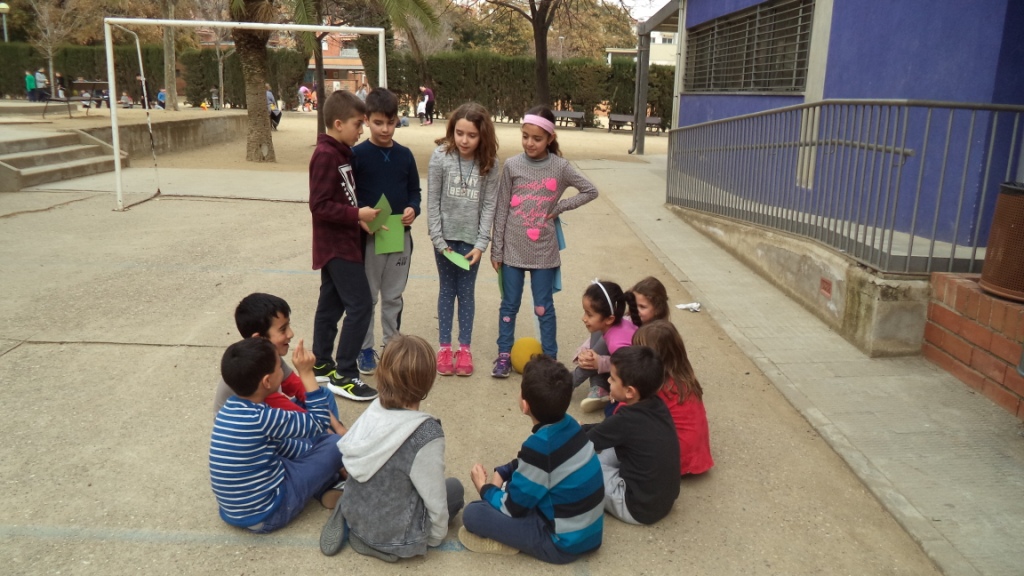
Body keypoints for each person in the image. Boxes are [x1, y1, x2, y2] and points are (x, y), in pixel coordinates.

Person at [320, 335, 464, 561]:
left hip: (358, 513)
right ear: (428, 380)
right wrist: (433, 537)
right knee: (454, 489)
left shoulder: (375, 408)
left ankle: (348, 510)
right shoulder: (426, 433)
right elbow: (434, 497)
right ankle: (383, 543)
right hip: (395, 535)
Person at [460, 355, 604, 563]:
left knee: (474, 514)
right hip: (590, 535)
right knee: (514, 484)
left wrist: (484, 488)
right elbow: (543, 465)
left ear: (525, 405)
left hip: (561, 545)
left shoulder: (540, 447)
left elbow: (513, 508)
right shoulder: (571, 425)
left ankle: (508, 541)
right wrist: (505, 471)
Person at [489, 106, 599, 376]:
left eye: (537, 138)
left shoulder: (560, 167)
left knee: (543, 307)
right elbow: (501, 209)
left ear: (550, 138)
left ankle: (550, 360)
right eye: (525, 136)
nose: (529, 143)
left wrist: (560, 207)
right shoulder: (512, 165)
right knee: (509, 304)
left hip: (543, 252)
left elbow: (590, 190)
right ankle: (503, 355)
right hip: (512, 251)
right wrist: (497, 249)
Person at [210, 337, 344, 533]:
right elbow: (320, 421)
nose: (283, 370)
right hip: (270, 513)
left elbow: (281, 445)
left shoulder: (230, 409)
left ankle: (326, 480)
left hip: (235, 512)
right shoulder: (262, 418)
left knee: (312, 446)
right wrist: (306, 373)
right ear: (267, 381)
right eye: (279, 367)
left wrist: (312, 452)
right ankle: (330, 482)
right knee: (336, 444)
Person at [309, 90, 379, 402]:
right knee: (360, 305)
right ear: (338, 124)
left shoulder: (341, 153)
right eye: (357, 124)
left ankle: (321, 363)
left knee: (331, 305)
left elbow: (342, 198)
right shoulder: (326, 155)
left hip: (345, 240)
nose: (361, 130)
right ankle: (345, 374)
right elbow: (319, 205)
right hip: (337, 247)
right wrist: (356, 214)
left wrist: (358, 220)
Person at [352, 88, 421, 376]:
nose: (385, 129)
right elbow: (350, 197)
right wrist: (360, 216)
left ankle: (391, 345)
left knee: (393, 295)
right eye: (378, 123)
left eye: (390, 123)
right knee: (368, 296)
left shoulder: (405, 155)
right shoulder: (356, 155)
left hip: (399, 236)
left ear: (397, 121)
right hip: (370, 238)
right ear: (367, 120)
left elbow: (414, 191)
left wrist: (413, 209)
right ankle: (365, 348)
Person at [427, 102, 500, 377]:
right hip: (444, 241)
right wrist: (438, 240)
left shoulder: (489, 163)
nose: (464, 140)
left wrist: (481, 244)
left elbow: (489, 205)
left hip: (471, 243)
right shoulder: (440, 157)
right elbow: (433, 201)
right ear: (452, 130)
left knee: (466, 293)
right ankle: (445, 347)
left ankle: (464, 348)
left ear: (483, 135)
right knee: (447, 290)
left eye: (472, 135)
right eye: (459, 133)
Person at [212, 293, 345, 435]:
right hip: (249, 433)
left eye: (288, 326)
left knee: (323, 394)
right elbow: (289, 411)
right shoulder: (253, 373)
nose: (291, 334)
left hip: (269, 416)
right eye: (283, 329)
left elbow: (298, 387)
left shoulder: (268, 355)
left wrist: (338, 428)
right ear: (259, 338)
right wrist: (329, 433)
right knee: (322, 433)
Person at [582, 346, 680, 525]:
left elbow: (582, 444)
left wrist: (570, 432)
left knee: (580, 468)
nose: (608, 380)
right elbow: (607, 430)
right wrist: (584, 428)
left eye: (612, 379)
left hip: (635, 507)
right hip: (661, 500)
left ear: (630, 391)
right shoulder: (656, 404)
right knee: (604, 449)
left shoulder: (625, 420)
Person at [633, 320, 714, 476]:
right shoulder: (683, 379)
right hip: (696, 455)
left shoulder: (657, 386)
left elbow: (624, 416)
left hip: (675, 458)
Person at [574, 280, 640, 412]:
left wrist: (599, 362)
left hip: (634, 379)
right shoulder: (611, 325)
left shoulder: (616, 343)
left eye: (589, 314)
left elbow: (630, 368)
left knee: (611, 411)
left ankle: (565, 385)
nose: (584, 318)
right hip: (622, 366)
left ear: (609, 319)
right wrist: (584, 352)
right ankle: (596, 387)